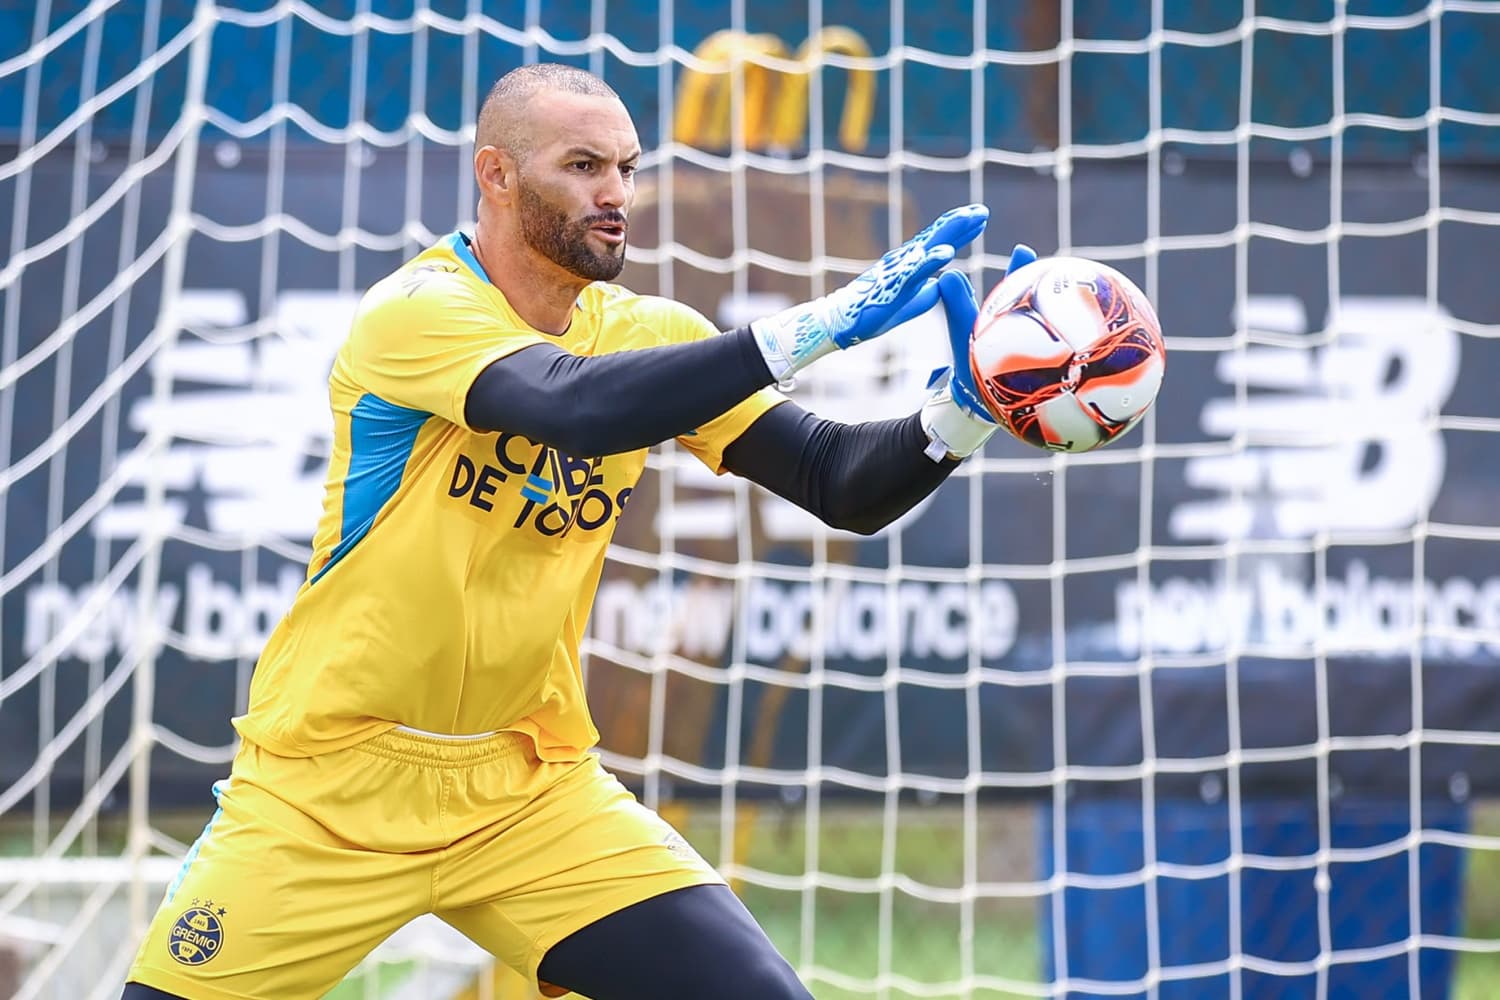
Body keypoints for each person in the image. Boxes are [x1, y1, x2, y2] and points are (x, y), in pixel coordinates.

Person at [121, 63, 1020, 1000]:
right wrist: (819, 325)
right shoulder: (415, 311)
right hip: (331, 787)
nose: (616, 195)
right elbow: (572, 407)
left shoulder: (646, 331)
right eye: (584, 165)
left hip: (529, 788)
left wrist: (966, 411)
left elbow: (841, 483)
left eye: (627, 168)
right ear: (497, 175)